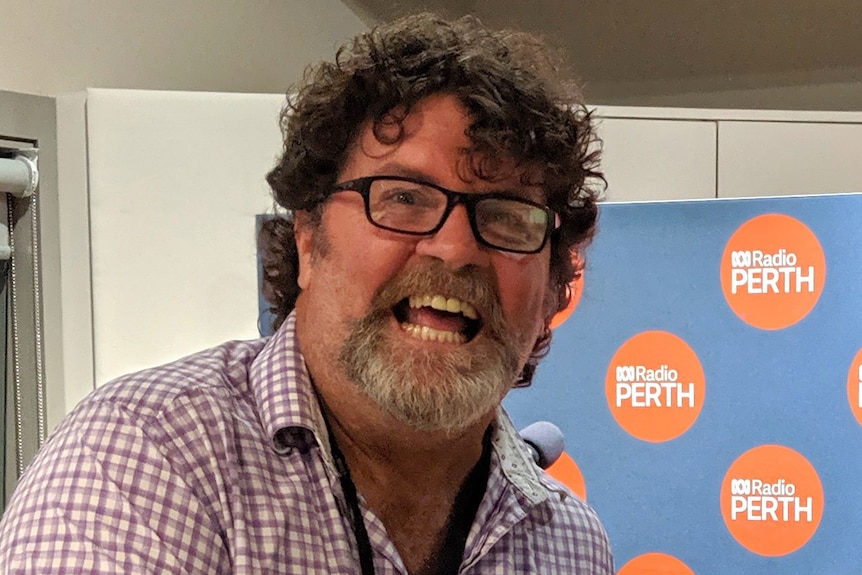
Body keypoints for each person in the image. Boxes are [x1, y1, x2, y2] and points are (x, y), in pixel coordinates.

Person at [0, 13, 613, 575]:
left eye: (507, 216)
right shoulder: (143, 464)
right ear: (308, 240)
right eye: (403, 197)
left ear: (555, 287)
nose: (454, 248)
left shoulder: (567, 542)